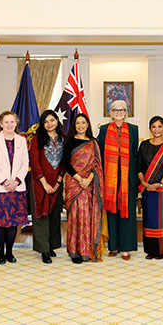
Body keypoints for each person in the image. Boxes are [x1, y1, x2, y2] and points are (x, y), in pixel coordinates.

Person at [0, 111, 29, 264]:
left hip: (16, 188)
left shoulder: (22, 141)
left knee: (13, 223)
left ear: (16, 123)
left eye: (12, 122)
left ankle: (9, 253)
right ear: (0, 124)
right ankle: (0, 254)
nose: (9, 125)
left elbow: (25, 164)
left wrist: (16, 181)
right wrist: (4, 182)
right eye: (6, 122)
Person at [97, 100, 138, 261]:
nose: (119, 112)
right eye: (115, 110)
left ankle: (126, 248)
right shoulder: (104, 129)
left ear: (126, 112)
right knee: (111, 210)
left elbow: (134, 154)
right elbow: (99, 152)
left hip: (128, 176)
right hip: (109, 176)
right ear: (111, 113)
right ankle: (113, 246)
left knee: (127, 211)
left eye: (122, 110)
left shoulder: (133, 130)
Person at [62, 113, 107, 263]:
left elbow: (97, 166)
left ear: (88, 125)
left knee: (87, 217)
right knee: (75, 217)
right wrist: (79, 179)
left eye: (83, 123)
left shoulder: (93, 143)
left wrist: (88, 179)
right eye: (77, 123)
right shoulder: (69, 141)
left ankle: (86, 250)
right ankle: (74, 252)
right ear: (74, 126)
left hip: (89, 184)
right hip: (74, 183)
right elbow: (66, 164)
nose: (80, 126)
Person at [137, 116, 163, 260]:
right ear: (150, 129)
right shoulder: (144, 145)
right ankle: (150, 250)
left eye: (159, 126)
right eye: (153, 127)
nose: (156, 130)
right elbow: (139, 166)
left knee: (162, 221)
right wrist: (144, 182)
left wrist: (160, 184)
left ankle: (162, 250)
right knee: (149, 220)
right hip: (148, 189)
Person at [29, 110, 64, 264]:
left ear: (57, 121)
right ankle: (43, 250)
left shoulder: (63, 139)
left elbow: (65, 162)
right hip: (39, 183)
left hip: (57, 184)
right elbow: (35, 163)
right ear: (42, 124)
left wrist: (57, 182)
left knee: (55, 215)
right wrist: (44, 183)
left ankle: (52, 246)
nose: (50, 124)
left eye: (52, 120)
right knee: (41, 215)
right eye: (46, 121)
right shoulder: (37, 139)